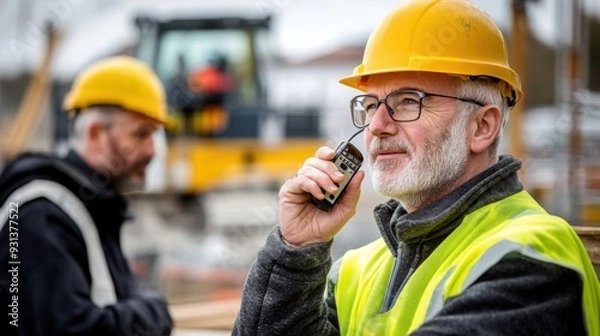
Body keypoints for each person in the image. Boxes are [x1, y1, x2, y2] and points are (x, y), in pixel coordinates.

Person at [233, 0, 600, 335]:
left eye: (408, 101)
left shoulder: (530, 258)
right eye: (371, 104)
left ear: (482, 127)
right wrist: (297, 251)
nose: (377, 126)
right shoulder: (358, 270)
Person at [0, 56, 173, 335]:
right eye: (141, 134)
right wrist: (153, 312)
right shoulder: (41, 216)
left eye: (154, 135)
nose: (151, 151)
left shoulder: (89, 207)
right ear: (95, 134)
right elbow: (70, 329)